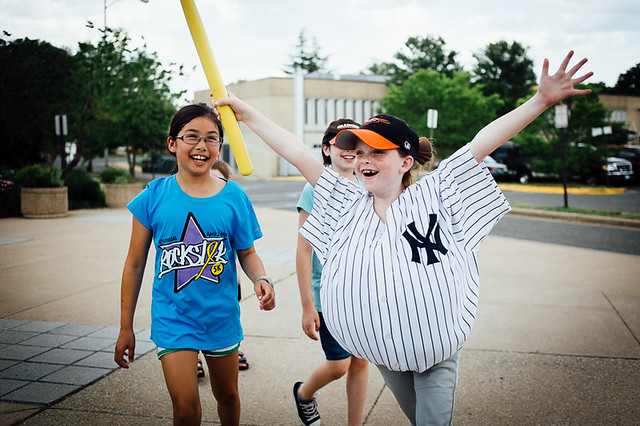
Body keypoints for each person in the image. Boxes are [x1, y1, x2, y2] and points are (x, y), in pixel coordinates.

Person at [215, 51, 592, 425]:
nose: (364, 159)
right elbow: (297, 152)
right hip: (384, 352)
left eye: (377, 152)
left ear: (406, 161)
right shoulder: (345, 201)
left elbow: (482, 142)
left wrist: (540, 100)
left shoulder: (437, 194)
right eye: (359, 151)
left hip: (436, 353)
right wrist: (247, 114)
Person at [114, 103, 276, 426]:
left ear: (220, 146)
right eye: (192, 136)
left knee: (227, 395)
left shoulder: (234, 197)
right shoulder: (153, 197)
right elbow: (134, 265)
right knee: (186, 409)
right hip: (173, 318)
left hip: (221, 318)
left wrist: (262, 278)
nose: (202, 145)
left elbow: (247, 253)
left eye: (211, 138)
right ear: (172, 143)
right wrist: (125, 326)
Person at [294, 119, 369, 426]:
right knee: (339, 365)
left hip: (362, 294)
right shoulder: (315, 188)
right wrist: (307, 305)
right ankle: (304, 394)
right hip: (328, 295)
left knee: (361, 363)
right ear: (326, 149)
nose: (350, 151)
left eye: (357, 145)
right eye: (342, 143)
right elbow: (303, 250)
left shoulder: (369, 185)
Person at [209, 159, 250, 373]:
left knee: (229, 316)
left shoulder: (232, 203)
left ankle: (235, 348)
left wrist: (242, 277)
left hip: (226, 278)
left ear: (229, 180)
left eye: (218, 179)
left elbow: (243, 250)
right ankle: (194, 356)